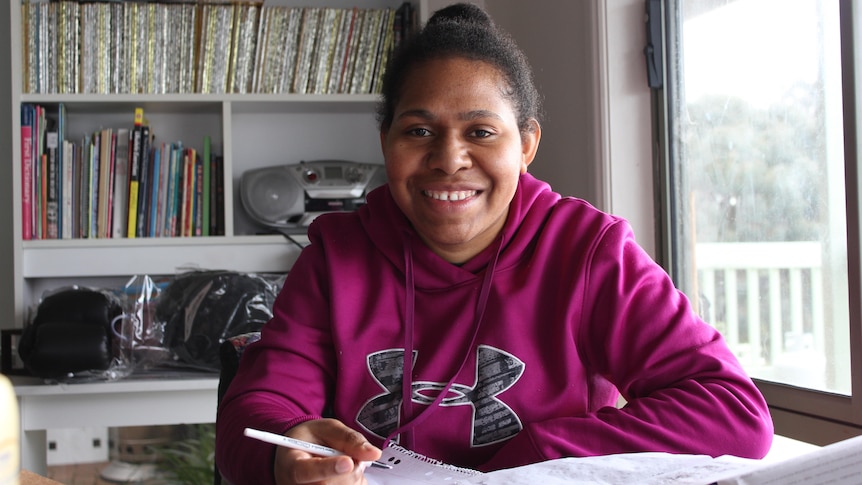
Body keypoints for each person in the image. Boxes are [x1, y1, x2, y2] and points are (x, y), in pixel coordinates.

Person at [215, 4, 773, 484]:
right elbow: (255, 414)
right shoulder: (334, 258)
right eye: (418, 131)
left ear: (526, 144)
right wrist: (287, 450)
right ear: (385, 141)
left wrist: (537, 455)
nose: (449, 159)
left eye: (481, 132)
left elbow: (734, 415)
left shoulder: (589, 251)